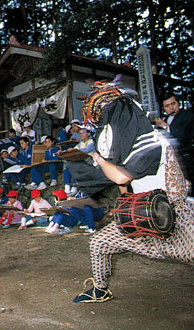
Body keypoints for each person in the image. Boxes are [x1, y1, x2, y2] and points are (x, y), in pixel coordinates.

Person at [70, 80, 194, 303]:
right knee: (99, 243)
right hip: (143, 221)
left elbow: (121, 176)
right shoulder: (129, 142)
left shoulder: (155, 140)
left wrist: (96, 157)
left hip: (175, 220)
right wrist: (123, 201)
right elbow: (123, 181)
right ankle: (100, 289)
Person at [154, 94, 194, 193]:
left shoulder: (187, 116)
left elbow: (180, 137)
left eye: (173, 104)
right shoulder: (167, 118)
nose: (171, 108)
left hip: (187, 157)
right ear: (163, 108)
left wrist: (164, 125)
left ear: (178, 103)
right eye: (167, 106)